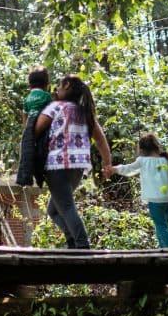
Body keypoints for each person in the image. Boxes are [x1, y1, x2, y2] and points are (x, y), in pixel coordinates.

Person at [34, 75, 113, 249]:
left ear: (67, 85)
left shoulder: (55, 108)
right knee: (53, 210)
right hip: (78, 167)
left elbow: (35, 129)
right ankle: (72, 241)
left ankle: (82, 245)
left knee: (67, 207)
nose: (56, 90)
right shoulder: (84, 112)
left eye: (59, 86)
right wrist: (107, 163)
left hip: (57, 165)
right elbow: (101, 140)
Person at [106, 133, 168, 248]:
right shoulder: (167, 159)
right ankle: (163, 250)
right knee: (164, 227)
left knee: (161, 227)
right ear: (156, 146)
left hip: (155, 201)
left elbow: (128, 169)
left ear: (142, 149)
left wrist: (114, 169)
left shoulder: (142, 161)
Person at [16, 67, 53, 187]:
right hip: (43, 131)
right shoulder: (47, 96)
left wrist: (27, 133)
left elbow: (25, 119)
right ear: (46, 84)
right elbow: (52, 113)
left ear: (29, 84)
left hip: (30, 131)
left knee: (28, 156)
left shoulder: (27, 99)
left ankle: (25, 178)